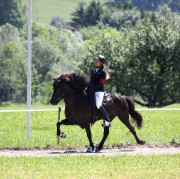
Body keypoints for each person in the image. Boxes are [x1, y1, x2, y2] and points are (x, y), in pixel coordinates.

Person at [89, 55, 111, 127]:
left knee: (98, 104)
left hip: (99, 91)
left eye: (97, 61)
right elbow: (91, 81)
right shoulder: (93, 71)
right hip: (92, 90)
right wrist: (87, 88)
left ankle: (107, 121)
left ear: (101, 62)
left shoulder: (103, 72)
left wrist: (93, 89)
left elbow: (100, 83)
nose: (96, 62)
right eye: (96, 60)